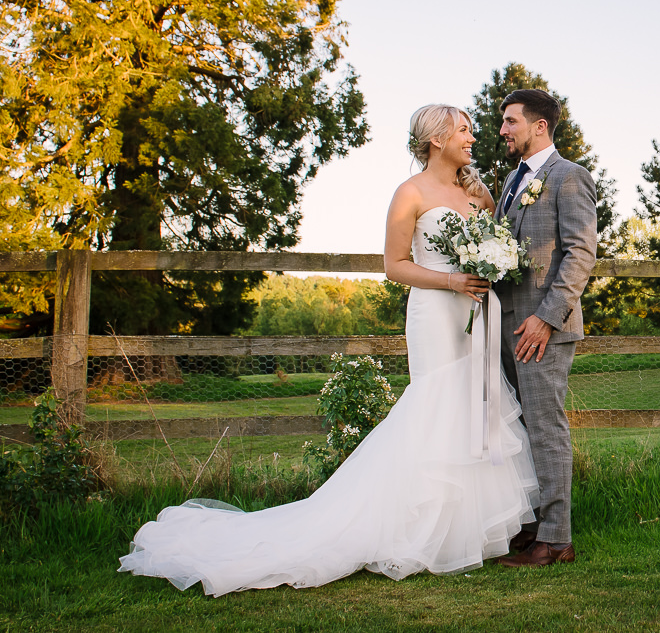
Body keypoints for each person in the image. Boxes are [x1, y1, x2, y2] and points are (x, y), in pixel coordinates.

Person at [117, 104, 539, 596]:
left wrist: (492, 268)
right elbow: (395, 265)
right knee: (433, 407)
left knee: (473, 405)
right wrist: (451, 278)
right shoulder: (410, 193)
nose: (473, 136)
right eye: (463, 130)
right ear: (436, 139)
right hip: (435, 311)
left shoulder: (478, 193)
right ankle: (405, 526)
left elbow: (493, 245)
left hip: (476, 314)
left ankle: (464, 532)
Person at [492, 89, 598, 568]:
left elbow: (580, 254)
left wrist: (546, 317)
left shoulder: (569, 177)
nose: (502, 130)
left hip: (544, 329)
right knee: (519, 429)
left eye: (510, 121)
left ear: (539, 126)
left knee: (546, 427)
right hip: (507, 325)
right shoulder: (512, 181)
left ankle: (557, 540)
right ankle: (532, 525)